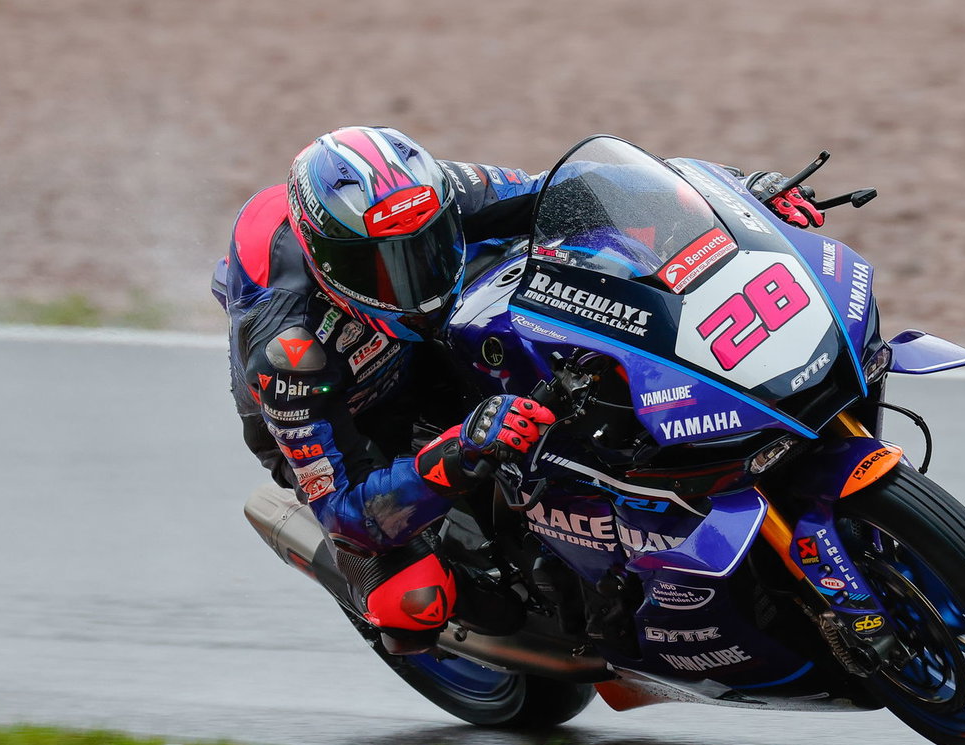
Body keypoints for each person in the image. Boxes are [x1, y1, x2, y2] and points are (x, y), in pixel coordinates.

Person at [212, 125, 824, 653]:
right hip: (356, 412)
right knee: (412, 605)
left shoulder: (437, 194)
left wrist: (740, 193)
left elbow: (584, 189)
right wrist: (458, 451)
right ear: (325, 261)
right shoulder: (288, 352)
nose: (413, 279)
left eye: (426, 248)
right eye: (383, 266)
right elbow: (350, 511)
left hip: (429, 342)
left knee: (597, 257)